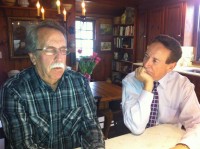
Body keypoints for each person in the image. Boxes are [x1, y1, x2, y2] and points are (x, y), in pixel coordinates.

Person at [0, 21, 105, 149]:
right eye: (50, 50)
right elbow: (24, 145)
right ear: (33, 57)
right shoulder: (14, 90)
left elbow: (91, 126)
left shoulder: (80, 83)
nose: (59, 58)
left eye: (63, 50)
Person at [122, 34, 200, 149]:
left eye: (155, 60)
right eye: (146, 56)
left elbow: (196, 122)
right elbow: (136, 127)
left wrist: (184, 146)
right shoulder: (131, 80)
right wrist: (148, 86)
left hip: (169, 141)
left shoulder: (182, 85)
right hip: (136, 142)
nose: (146, 64)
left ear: (171, 67)